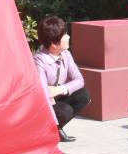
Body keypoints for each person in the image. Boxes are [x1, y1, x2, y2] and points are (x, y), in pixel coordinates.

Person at [33, 15, 92, 143]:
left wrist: (61, 89)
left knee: (84, 95)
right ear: (54, 44)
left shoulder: (65, 54)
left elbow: (79, 80)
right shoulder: (39, 61)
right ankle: (47, 130)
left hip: (57, 96)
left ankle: (56, 129)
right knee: (65, 110)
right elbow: (43, 95)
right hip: (44, 105)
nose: (68, 37)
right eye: (64, 35)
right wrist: (52, 94)